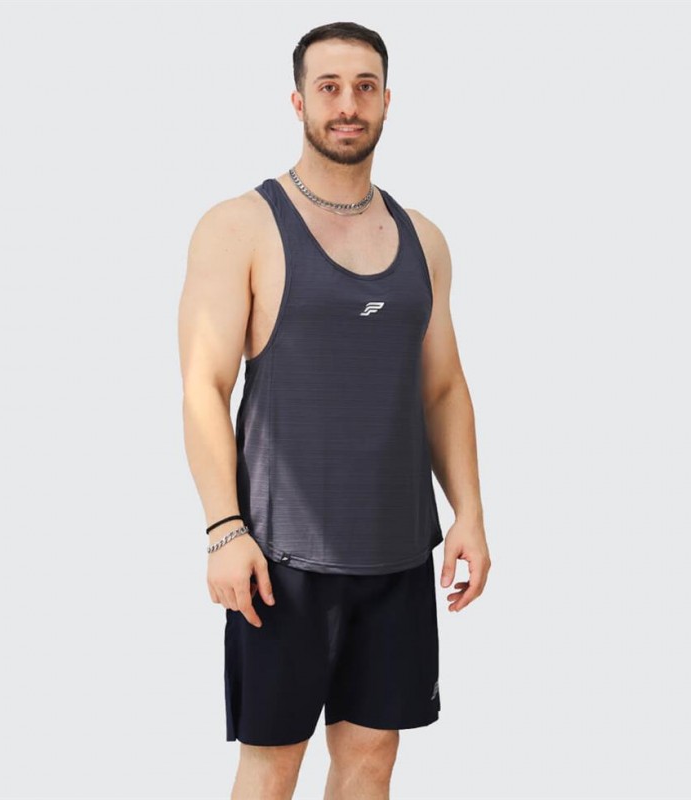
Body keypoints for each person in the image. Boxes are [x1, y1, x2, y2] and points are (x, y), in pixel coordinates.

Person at [178, 20, 491, 800]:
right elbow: (202, 386)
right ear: (299, 102)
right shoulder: (240, 226)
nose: (347, 104)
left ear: (386, 101)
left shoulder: (424, 239)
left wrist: (470, 514)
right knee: (272, 762)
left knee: (372, 755)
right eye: (329, 88)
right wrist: (224, 530)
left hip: (397, 554)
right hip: (281, 560)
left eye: (364, 87)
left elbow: (443, 387)